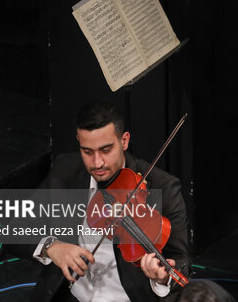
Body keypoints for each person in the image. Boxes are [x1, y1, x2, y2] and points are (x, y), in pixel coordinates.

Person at [10, 100, 190, 302]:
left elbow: (181, 262)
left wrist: (163, 279)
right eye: (87, 152)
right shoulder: (66, 169)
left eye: (106, 150)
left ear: (124, 141)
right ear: (78, 140)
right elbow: (16, 228)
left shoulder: (163, 187)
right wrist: (52, 247)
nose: (97, 163)